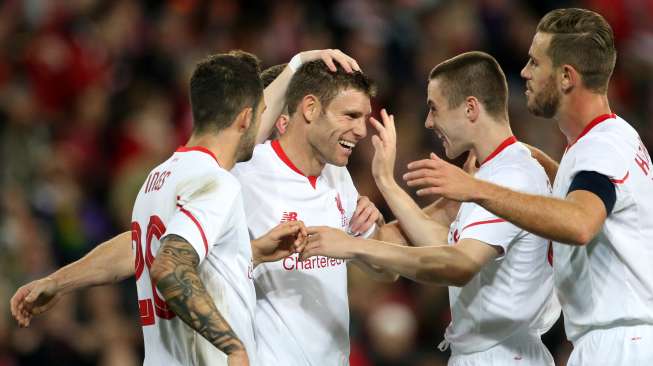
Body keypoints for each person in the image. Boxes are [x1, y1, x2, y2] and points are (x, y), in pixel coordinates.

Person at [9, 49, 361, 366]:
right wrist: (233, 347)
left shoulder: (158, 178)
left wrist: (58, 281)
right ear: (245, 118)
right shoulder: (217, 183)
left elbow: (135, 249)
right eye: (262, 115)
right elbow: (169, 267)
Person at [402, 9, 653, 366]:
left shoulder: (601, 148)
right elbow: (585, 199)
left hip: (620, 345)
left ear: (566, 77)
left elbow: (580, 223)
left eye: (536, 62)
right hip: (619, 339)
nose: (524, 72)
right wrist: (537, 160)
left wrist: (476, 189)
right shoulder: (606, 140)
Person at [301, 51, 559, 365]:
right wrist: (386, 182)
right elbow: (444, 243)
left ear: (470, 108)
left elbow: (459, 264)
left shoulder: (511, 175)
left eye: (434, 108)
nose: (428, 122)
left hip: (501, 355)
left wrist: (354, 247)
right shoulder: (494, 171)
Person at [230, 59, 402, 365]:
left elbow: (388, 271)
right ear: (310, 108)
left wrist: (367, 236)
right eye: (350, 115)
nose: (361, 130)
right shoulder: (245, 171)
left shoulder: (338, 176)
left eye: (364, 118)